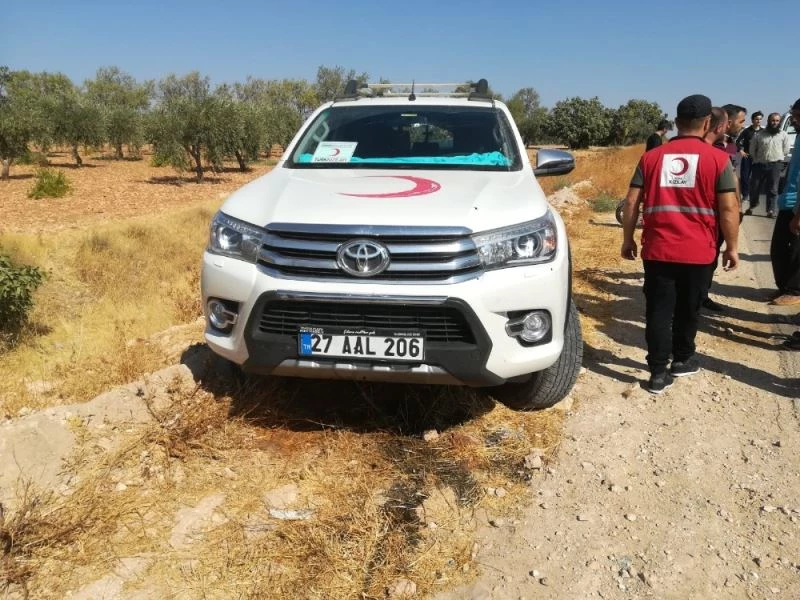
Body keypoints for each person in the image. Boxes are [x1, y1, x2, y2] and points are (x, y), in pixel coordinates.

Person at [621, 94, 740, 394]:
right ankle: (683, 360)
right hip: (699, 252)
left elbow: (631, 202)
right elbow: (729, 208)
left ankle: (657, 373)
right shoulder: (718, 160)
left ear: (676, 122)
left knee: (658, 311)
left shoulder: (651, 158)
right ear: (707, 123)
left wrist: (627, 238)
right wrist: (732, 247)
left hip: (658, 249)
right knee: (689, 308)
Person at [701, 107, 732, 313]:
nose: (730, 127)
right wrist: (733, 246)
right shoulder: (716, 156)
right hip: (706, 225)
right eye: (735, 122)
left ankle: (701, 295)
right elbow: (729, 204)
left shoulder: (726, 147)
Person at [774, 99, 800, 308]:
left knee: (796, 252)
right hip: (788, 200)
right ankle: (784, 287)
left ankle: (794, 290)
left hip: (798, 205)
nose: (795, 121)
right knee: (780, 248)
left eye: (799, 117)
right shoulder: (798, 136)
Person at [746, 112, 791, 218]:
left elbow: (786, 150)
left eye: (777, 121)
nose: (775, 123)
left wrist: (777, 156)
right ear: (768, 121)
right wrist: (757, 159)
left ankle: (771, 210)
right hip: (759, 164)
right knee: (754, 187)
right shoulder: (759, 134)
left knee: (773, 189)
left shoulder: (783, 135)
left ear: (779, 122)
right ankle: (752, 206)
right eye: (773, 120)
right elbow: (752, 149)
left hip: (775, 165)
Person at [737, 111, 763, 198]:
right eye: (756, 119)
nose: (758, 121)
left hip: (758, 158)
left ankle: (755, 194)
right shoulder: (747, 131)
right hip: (747, 157)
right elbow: (737, 141)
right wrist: (741, 151)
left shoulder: (763, 132)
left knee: (757, 178)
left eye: (760, 119)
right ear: (752, 120)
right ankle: (745, 194)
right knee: (745, 177)